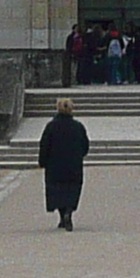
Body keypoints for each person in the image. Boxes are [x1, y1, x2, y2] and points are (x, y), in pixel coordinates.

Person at [37, 96, 90, 230]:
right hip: (73, 166)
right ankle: (68, 212)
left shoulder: (50, 127)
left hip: (55, 166)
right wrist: (78, 156)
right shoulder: (78, 127)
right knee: (72, 190)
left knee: (57, 191)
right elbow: (85, 145)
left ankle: (62, 216)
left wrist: (42, 161)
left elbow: (44, 146)